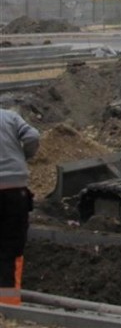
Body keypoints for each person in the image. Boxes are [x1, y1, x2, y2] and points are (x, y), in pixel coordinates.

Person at [0, 108, 40, 306]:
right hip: (16, 191)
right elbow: (32, 135)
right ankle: (8, 304)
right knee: (11, 247)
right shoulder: (9, 117)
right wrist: (23, 156)